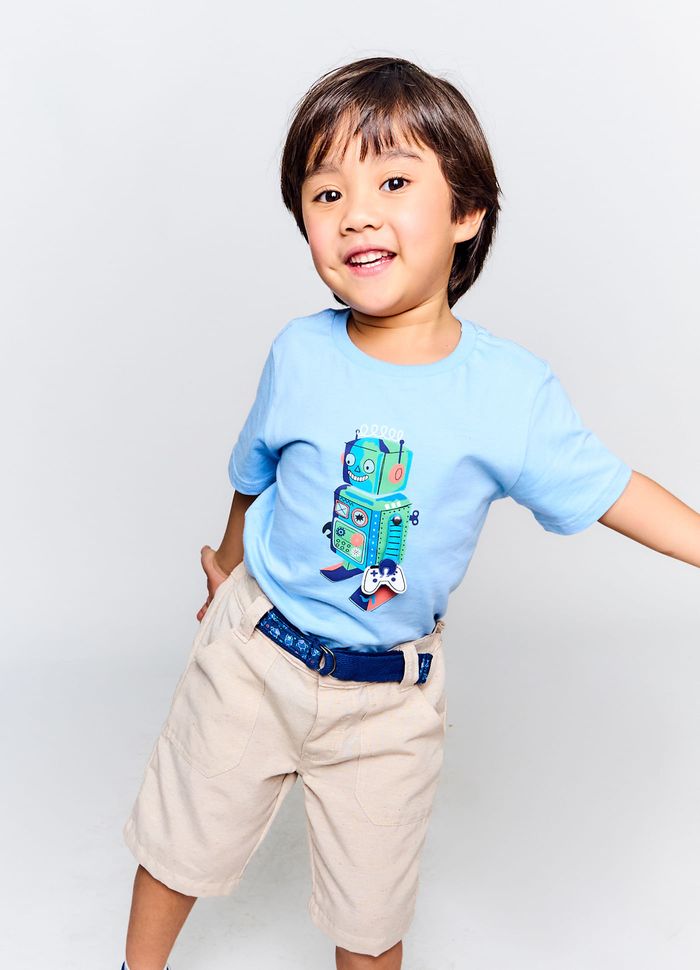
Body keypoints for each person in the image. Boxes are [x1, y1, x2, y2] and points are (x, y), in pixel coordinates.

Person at [119, 56, 699, 970]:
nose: (356, 213)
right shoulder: (300, 353)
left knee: (372, 915)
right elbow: (253, 471)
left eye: (393, 182)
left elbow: (615, 490)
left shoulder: (507, 393)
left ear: (467, 212)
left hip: (385, 703)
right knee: (178, 843)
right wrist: (228, 564)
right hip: (253, 655)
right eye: (327, 193)